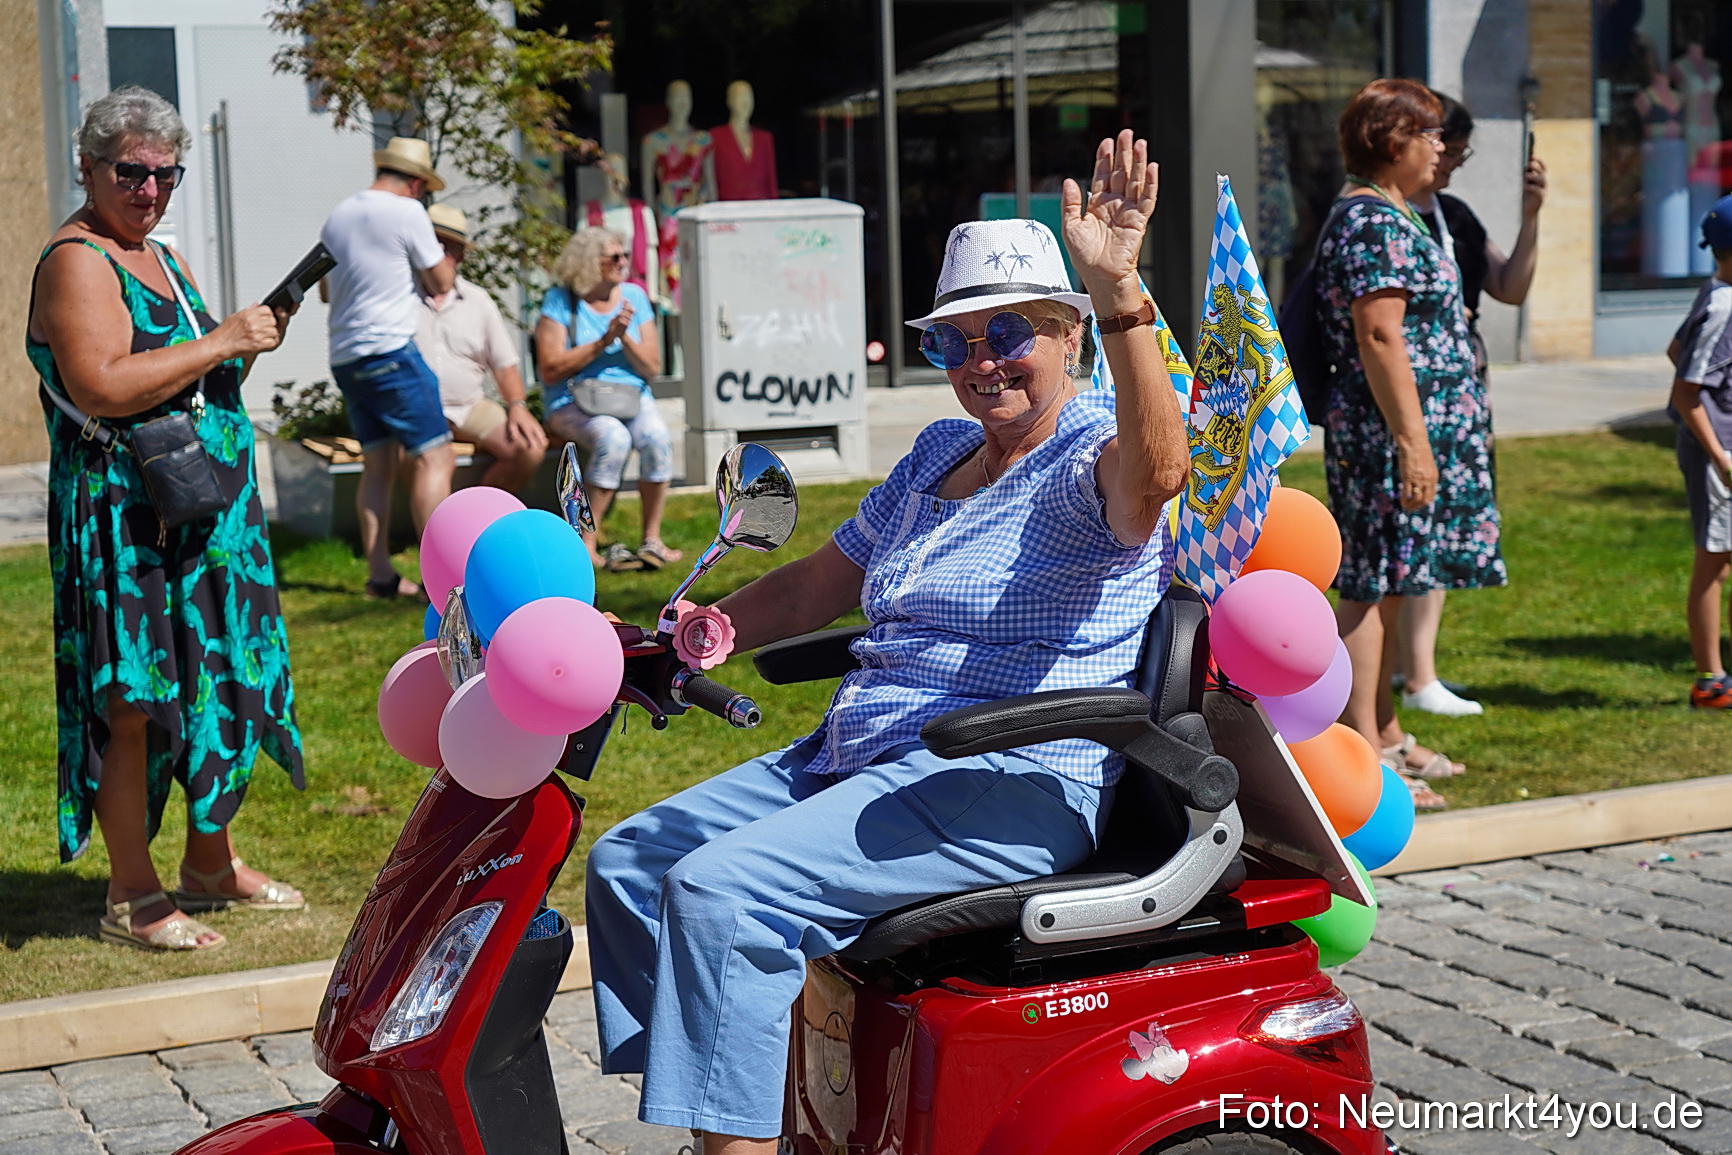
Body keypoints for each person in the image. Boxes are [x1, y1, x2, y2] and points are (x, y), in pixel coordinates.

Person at [586, 131, 1188, 1153]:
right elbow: (825, 581)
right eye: (954, 343)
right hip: (870, 755)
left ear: (1066, 335)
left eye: (1008, 334)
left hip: (1004, 770)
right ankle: (743, 1105)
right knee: (631, 862)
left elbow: (1159, 475)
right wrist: (687, 638)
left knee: (719, 891)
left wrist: (1121, 289)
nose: (981, 362)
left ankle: (724, 1139)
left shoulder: (1093, 453)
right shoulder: (941, 449)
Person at [26, 86, 304, 950]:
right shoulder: (78, 259)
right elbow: (102, 385)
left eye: (165, 174)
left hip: (205, 509)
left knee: (218, 677)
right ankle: (132, 893)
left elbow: (185, 379)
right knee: (135, 700)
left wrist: (242, 348)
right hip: (124, 517)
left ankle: (209, 865)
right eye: (131, 172)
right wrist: (222, 339)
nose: (149, 190)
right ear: (90, 166)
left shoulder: (161, 256)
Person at [1316, 79, 1505, 811]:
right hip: (1384, 435)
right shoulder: (1371, 221)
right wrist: (1412, 442)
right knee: (1369, 583)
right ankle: (1360, 750)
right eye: (1429, 135)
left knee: (1397, 579)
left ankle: (1387, 731)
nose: (1441, 148)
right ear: (1392, 142)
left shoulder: (1398, 213)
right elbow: (1379, 333)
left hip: (1403, 431)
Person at [1392, 92, 1547, 721]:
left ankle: (1417, 668)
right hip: (1414, 393)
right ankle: (1411, 674)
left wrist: (1531, 215)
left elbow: (1508, 287)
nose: (1449, 161)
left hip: (1457, 390)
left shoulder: (1452, 215)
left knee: (1442, 525)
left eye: (1456, 151)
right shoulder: (1382, 218)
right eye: (1444, 148)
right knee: (1406, 531)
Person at [319, 136, 457, 599]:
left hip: (346, 357)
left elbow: (324, 292)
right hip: (391, 351)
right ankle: (446, 584)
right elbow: (442, 280)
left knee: (378, 465)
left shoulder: (338, 215)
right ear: (416, 183)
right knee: (435, 457)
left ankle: (381, 575)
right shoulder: (407, 212)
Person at [536, 226, 681, 572]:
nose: (623, 262)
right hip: (571, 399)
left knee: (657, 439)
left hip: (630, 395)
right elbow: (550, 369)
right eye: (614, 257)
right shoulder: (560, 301)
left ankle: (652, 539)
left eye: (624, 254)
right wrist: (603, 341)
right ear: (589, 263)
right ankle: (585, 543)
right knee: (613, 439)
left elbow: (652, 366)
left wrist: (623, 337)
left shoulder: (635, 296)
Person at [417, 203, 547, 493]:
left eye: (448, 246)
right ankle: (430, 533)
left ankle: (480, 513)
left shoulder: (478, 301)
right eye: (432, 242)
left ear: (461, 255)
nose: (438, 252)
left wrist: (518, 407)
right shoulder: (400, 296)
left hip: (468, 406)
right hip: (417, 408)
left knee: (529, 447)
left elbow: (505, 365)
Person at [1667, 195, 1732, 709]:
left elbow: (1676, 348)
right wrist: (1721, 457)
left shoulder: (1717, 295)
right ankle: (1709, 680)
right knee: (1713, 562)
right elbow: (1686, 391)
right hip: (1719, 455)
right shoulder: (1723, 307)